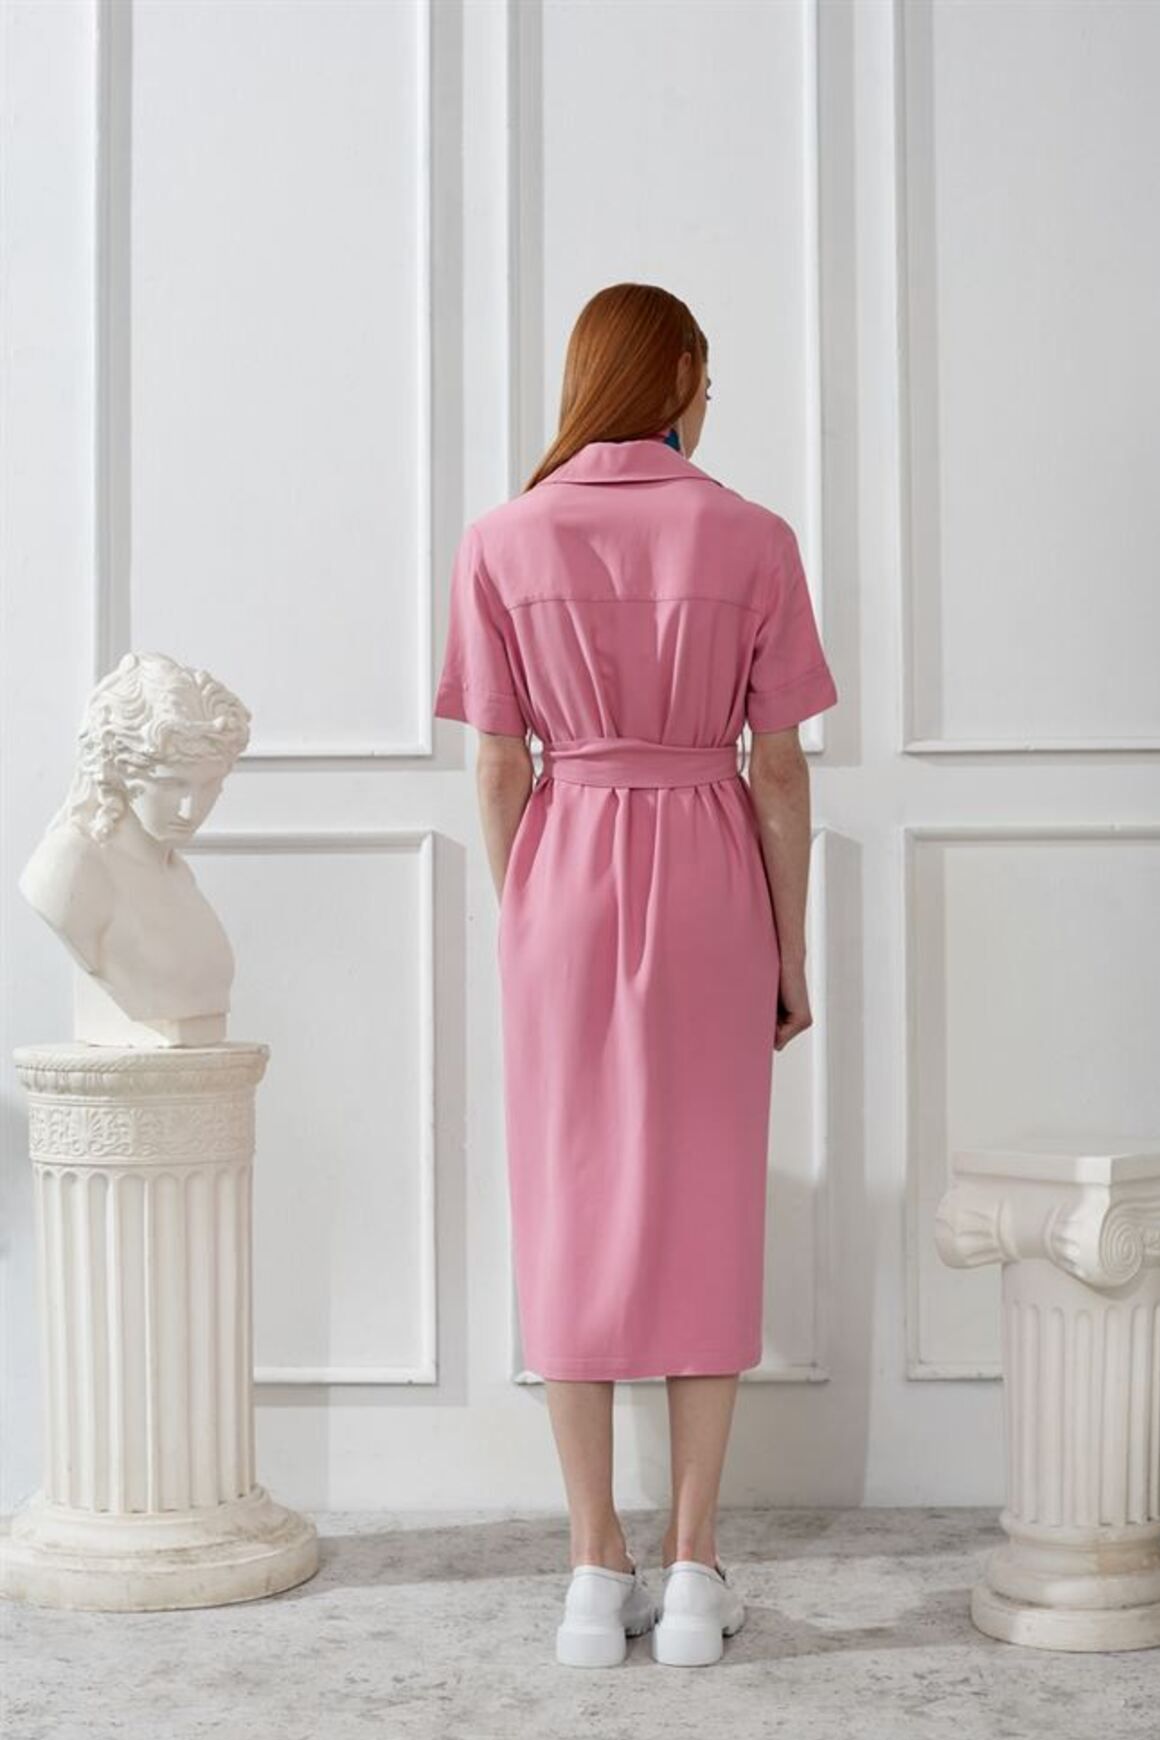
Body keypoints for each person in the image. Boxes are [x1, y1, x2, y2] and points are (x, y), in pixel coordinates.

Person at [433, 282, 838, 1668]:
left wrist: (531, 916)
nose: (708, 401)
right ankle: (694, 1570)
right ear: (670, 377)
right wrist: (790, 948)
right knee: (709, 1204)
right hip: (714, 877)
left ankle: (591, 1574)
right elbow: (780, 772)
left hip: (563, 880)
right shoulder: (754, 537)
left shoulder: (501, 539)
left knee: (569, 1209)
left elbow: (498, 766)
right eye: (705, 378)